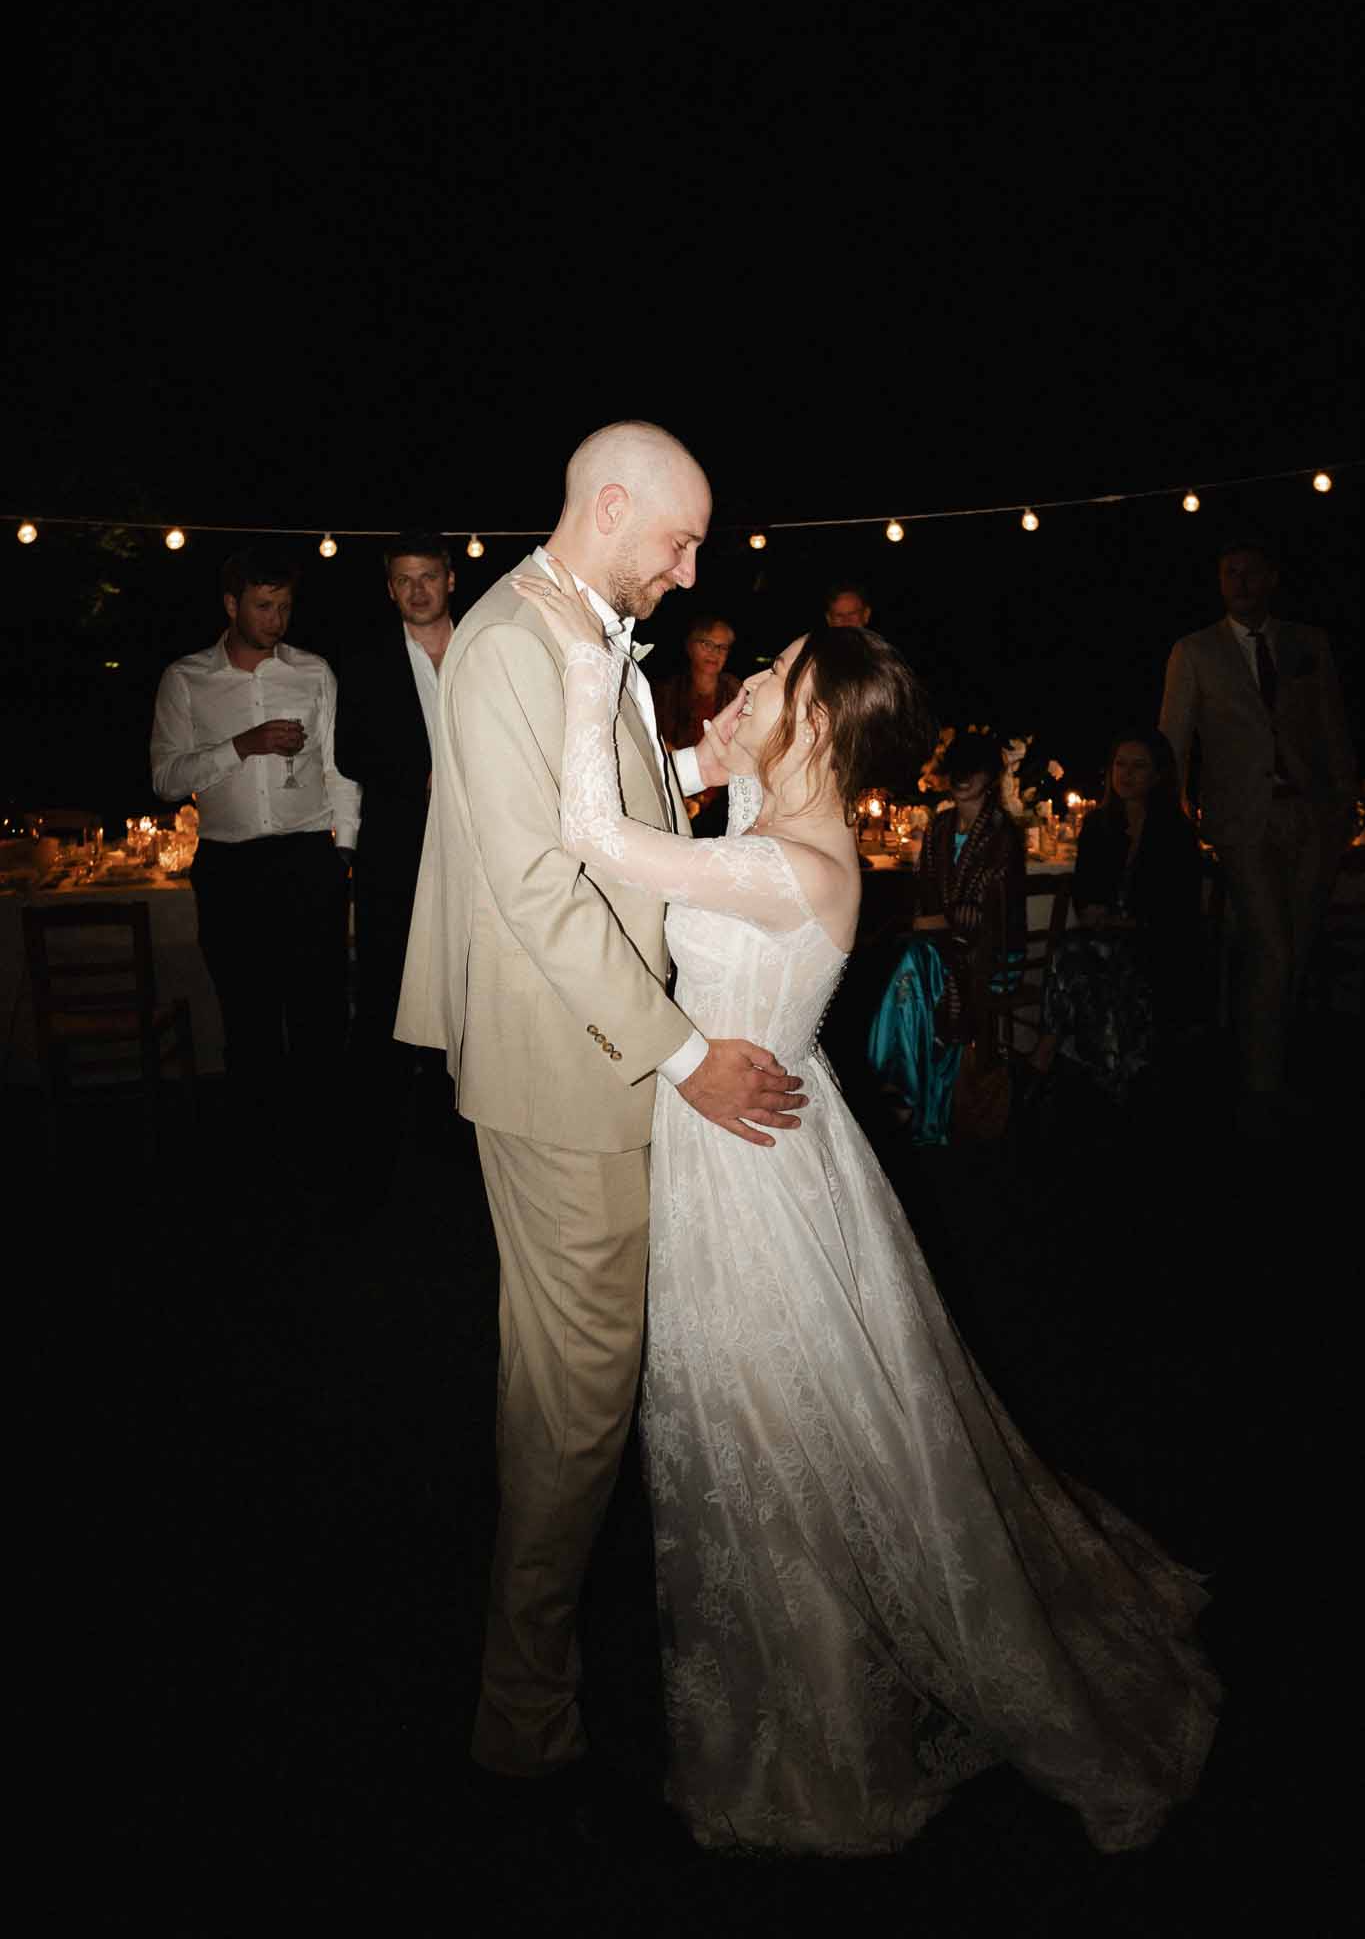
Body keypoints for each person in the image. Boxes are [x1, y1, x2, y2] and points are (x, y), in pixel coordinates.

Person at [512, 567, 1220, 1856]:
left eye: (777, 676)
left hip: (749, 1172)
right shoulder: (775, 826)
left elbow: (591, 834)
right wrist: (710, 745)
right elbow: (675, 830)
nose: (757, 681)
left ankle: (820, 1729)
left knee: (776, 1431)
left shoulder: (798, 862)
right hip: (750, 1132)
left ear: (824, 725)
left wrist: (580, 673)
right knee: (789, 1425)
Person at [394, 422, 807, 1791]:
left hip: (601, 1058)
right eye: (678, 542)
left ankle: (546, 1679)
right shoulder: (518, 642)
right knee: (574, 1404)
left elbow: (608, 816)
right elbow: (538, 897)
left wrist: (738, 769)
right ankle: (521, 1722)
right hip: (565, 1071)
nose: (689, 574)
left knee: (580, 1388)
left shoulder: (578, 630)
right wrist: (687, 1055)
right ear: (613, 507)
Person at [150, 548, 358, 1118]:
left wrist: (343, 850)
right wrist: (241, 746)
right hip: (230, 866)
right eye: (264, 606)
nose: (276, 619)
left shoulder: (313, 672)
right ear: (230, 605)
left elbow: (338, 769)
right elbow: (166, 777)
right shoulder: (186, 679)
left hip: (308, 860)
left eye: (285, 607)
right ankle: (259, 1154)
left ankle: (323, 1144)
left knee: (320, 1014)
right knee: (249, 1017)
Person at [1159, 539, 1355, 1133]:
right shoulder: (1194, 651)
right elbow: (1173, 740)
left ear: (1271, 577)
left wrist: (1343, 809)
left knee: (1293, 943)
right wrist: (1176, 815)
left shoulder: (1307, 643)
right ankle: (1259, 1086)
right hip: (1241, 821)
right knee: (1271, 942)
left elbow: (1333, 728)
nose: (1239, 581)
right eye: (1228, 572)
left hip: (1311, 814)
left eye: (1249, 571)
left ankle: (1266, 1058)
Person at [334, 533, 456, 1200]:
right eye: (404, 580)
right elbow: (350, 753)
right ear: (389, 588)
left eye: (428, 577)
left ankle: (455, 1133)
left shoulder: (482, 646)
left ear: (449, 581)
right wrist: (423, 777)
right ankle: (368, 1159)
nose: (417, 591)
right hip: (397, 851)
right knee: (385, 992)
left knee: (464, 989)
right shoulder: (366, 659)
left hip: (475, 851)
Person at [867, 728, 1025, 1144]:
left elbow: (983, 916)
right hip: (941, 948)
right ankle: (909, 1093)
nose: (961, 777)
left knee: (912, 963)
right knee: (912, 966)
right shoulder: (939, 827)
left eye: (972, 770)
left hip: (990, 956)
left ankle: (903, 1093)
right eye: (956, 768)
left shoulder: (1003, 833)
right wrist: (929, 923)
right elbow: (926, 891)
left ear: (990, 777)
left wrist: (928, 924)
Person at [1032, 732, 1204, 1101]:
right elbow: (1084, 888)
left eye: (1138, 766)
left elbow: (1178, 911)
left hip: (1158, 941)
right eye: (1120, 765)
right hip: (1105, 935)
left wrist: (1123, 922)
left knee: (1087, 957)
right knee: (1078, 952)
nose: (1126, 774)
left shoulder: (1175, 831)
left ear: (1158, 774)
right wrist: (1094, 912)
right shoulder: (1099, 825)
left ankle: (1049, 1058)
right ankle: (1093, 1066)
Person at [651, 612, 742, 833]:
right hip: (677, 791)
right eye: (707, 644)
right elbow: (656, 742)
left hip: (725, 799)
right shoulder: (666, 691)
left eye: (722, 647)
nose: (715, 653)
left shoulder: (736, 691)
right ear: (690, 647)